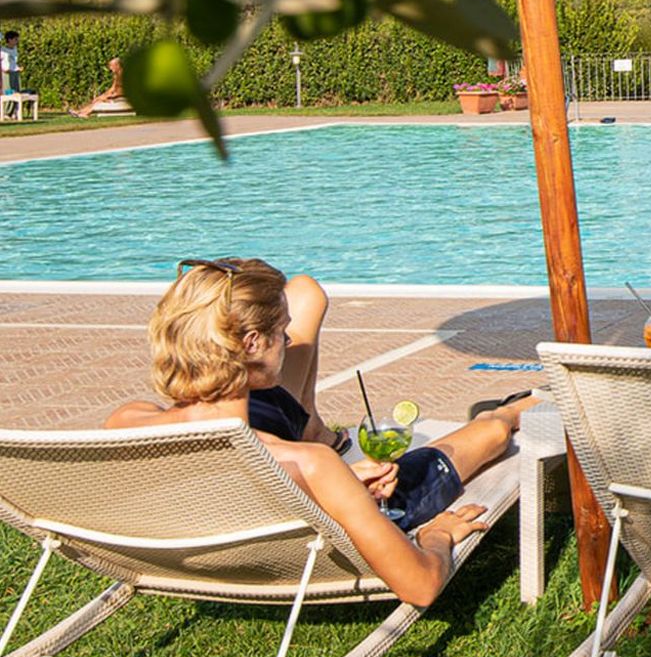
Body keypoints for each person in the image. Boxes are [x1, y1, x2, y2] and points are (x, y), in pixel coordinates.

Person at [106, 258, 537, 606]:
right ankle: (517, 408)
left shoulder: (127, 421)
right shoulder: (310, 464)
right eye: (282, 333)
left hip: (209, 542)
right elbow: (421, 586)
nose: (289, 343)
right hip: (303, 541)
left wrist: (345, 484)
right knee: (492, 435)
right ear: (253, 343)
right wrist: (437, 535)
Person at [0, 29, 19, 95]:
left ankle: (15, 105)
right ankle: (7, 105)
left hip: (15, 72)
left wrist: (17, 68)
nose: (17, 41)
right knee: (8, 92)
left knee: (16, 91)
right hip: (7, 74)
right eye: (15, 39)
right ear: (10, 40)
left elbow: (14, 61)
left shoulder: (15, 49)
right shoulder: (2, 50)